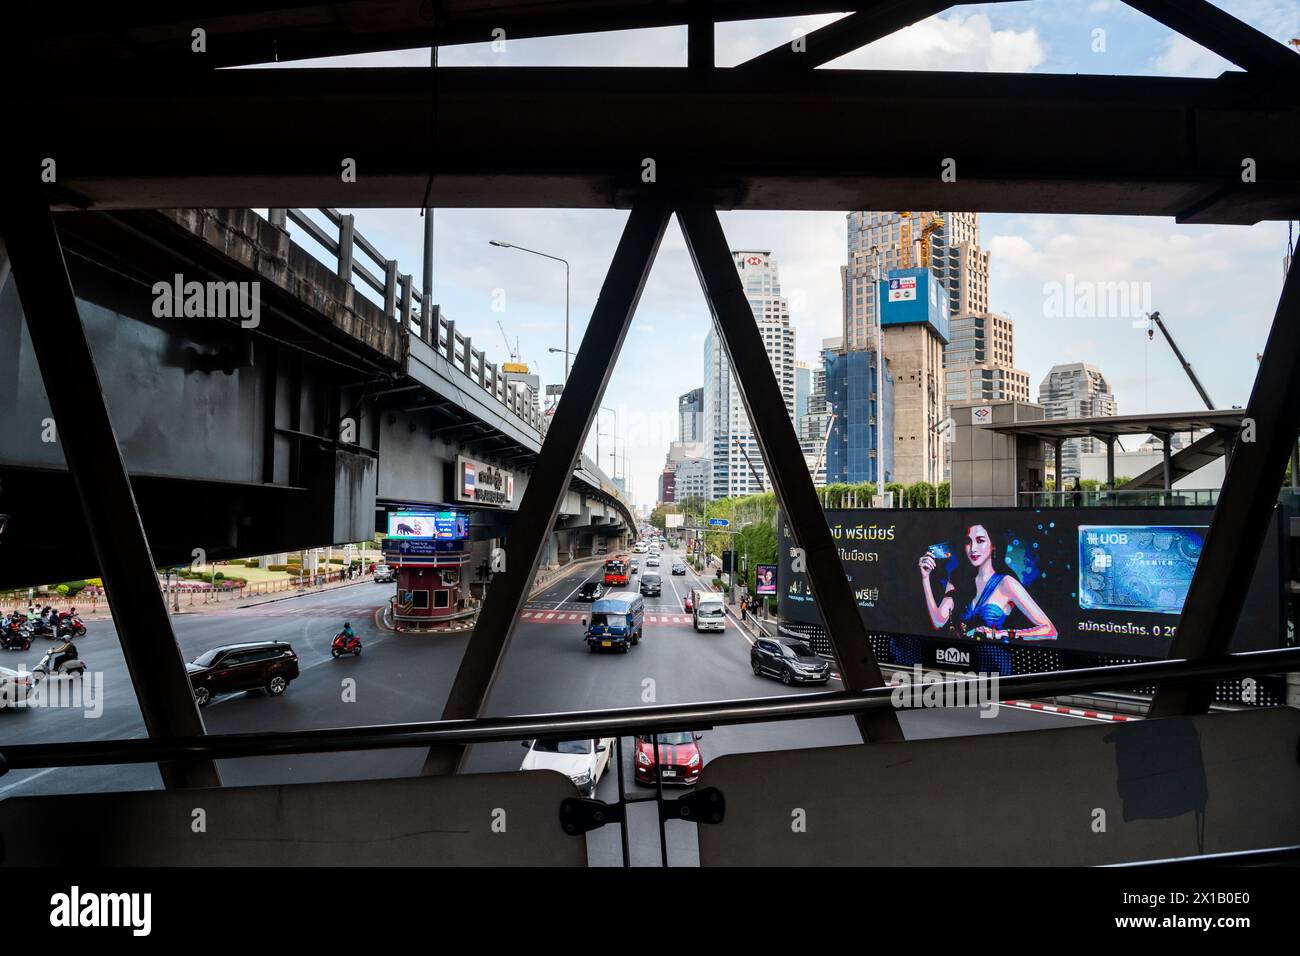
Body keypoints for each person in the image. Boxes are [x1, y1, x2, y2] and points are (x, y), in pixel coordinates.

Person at [918, 523, 1057, 642]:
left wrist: (1000, 634)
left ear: (993, 545)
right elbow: (939, 621)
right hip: (962, 661)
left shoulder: (1006, 583)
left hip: (996, 664)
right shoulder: (957, 580)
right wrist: (925, 578)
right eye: (968, 541)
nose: (972, 549)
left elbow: (1049, 630)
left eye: (980, 540)